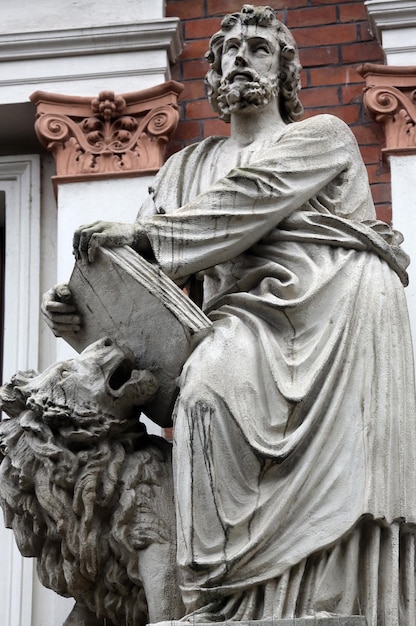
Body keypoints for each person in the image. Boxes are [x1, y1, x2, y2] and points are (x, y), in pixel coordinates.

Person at [43, 5, 416, 625]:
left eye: (260, 48)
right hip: (236, 318)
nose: (242, 56)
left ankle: (319, 596)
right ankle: (220, 602)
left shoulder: (321, 135)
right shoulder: (184, 168)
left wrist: (142, 233)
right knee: (205, 395)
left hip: (329, 317)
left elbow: (246, 202)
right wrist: (83, 322)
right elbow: (155, 294)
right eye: (230, 49)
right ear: (213, 72)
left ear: (285, 72)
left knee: (218, 384)